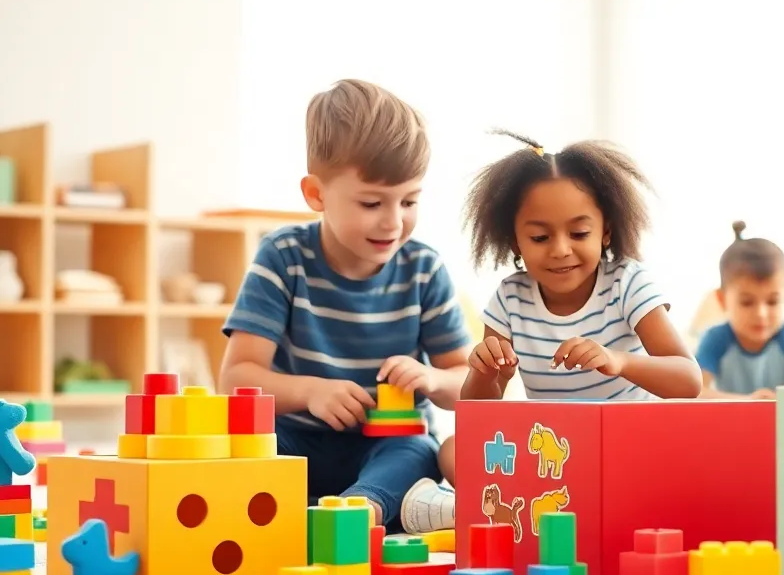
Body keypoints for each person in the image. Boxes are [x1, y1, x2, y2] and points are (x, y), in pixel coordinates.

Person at [220, 78, 469, 535]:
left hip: (387, 445)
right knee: (235, 448)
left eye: (410, 201)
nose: (394, 222)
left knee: (418, 452)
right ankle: (297, 510)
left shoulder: (424, 269)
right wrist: (312, 392)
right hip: (295, 439)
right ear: (316, 194)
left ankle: (356, 512)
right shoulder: (283, 256)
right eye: (372, 202)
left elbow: (468, 386)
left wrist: (432, 378)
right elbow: (237, 379)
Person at [458, 130, 701, 415]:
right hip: (554, 450)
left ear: (605, 231)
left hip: (628, 439)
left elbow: (688, 380)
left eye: (579, 233)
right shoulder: (511, 298)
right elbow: (476, 413)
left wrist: (618, 362)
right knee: (453, 449)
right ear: (515, 242)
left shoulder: (627, 283)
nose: (561, 249)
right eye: (539, 237)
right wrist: (484, 373)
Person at [696, 221, 784, 398]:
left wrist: (783, 398)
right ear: (722, 300)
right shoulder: (715, 339)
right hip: (732, 423)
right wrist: (748, 402)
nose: (761, 314)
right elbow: (696, 392)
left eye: (772, 302)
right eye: (747, 302)